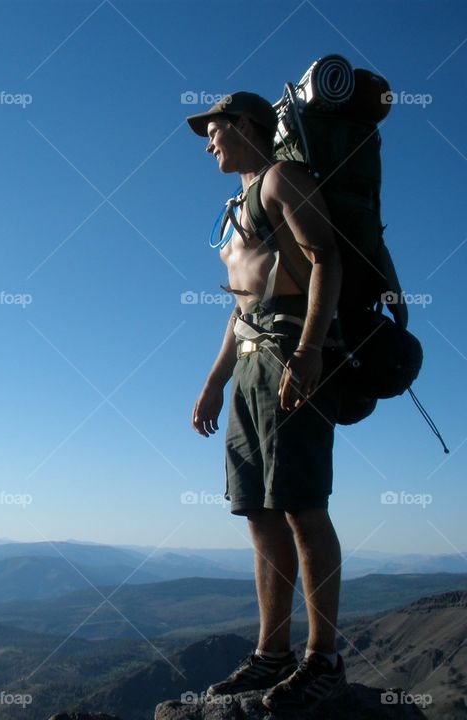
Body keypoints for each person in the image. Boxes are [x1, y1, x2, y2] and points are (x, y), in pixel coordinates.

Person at [186, 92, 348, 713]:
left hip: (288, 356)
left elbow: (325, 257)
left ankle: (322, 659)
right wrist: (213, 381)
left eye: (216, 129)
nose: (209, 142)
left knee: (303, 506)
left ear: (248, 124)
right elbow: (240, 306)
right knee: (258, 512)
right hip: (253, 362)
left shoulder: (283, 178)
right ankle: (271, 654)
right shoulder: (235, 206)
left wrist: (309, 354)